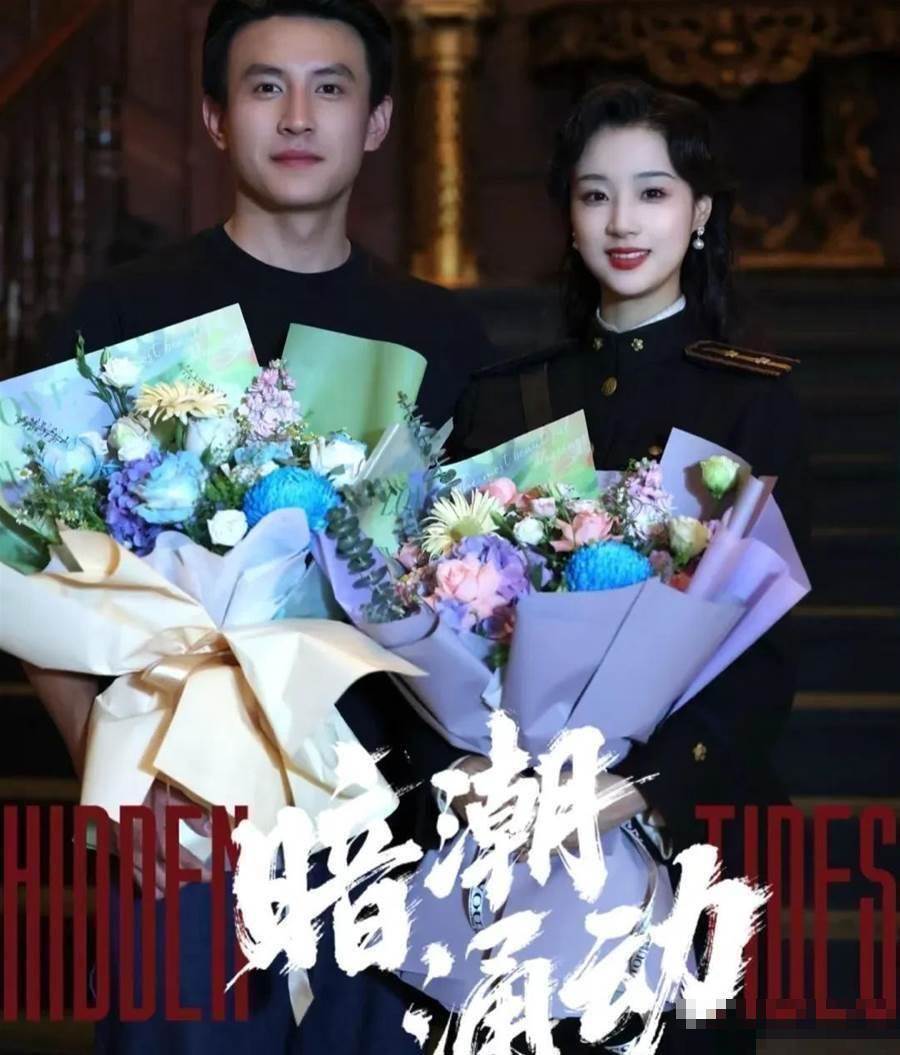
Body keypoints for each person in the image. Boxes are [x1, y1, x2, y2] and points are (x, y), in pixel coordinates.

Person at [27, 1, 495, 1052]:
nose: (297, 116)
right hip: (186, 818)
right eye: (264, 86)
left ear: (377, 121)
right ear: (213, 117)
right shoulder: (123, 315)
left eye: (330, 87)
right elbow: (31, 566)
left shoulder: (443, 335)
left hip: (392, 819)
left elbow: (481, 585)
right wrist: (110, 772)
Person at [449, 79, 810, 1053]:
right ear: (568, 218)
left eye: (652, 192)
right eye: (594, 194)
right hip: (516, 827)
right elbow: (454, 612)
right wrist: (488, 767)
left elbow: (761, 654)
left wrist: (631, 785)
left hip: (689, 833)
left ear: (700, 213)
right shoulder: (509, 401)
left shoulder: (752, 405)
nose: (622, 221)